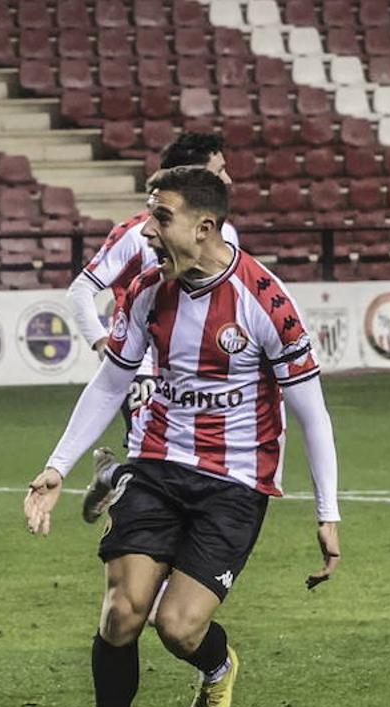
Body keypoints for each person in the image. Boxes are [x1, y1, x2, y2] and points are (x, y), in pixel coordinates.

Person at [24, 168, 341, 707]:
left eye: (160, 217)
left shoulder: (264, 298)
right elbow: (111, 383)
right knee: (121, 612)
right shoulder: (146, 290)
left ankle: (218, 667)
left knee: (179, 628)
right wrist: (56, 466)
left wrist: (327, 513)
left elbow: (311, 410)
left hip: (235, 484)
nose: (147, 230)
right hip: (156, 466)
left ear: (204, 228)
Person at [70, 133, 237, 524]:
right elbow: (80, 291)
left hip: (193, 367)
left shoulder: (225, 236)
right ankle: (132, 555)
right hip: (143, 363)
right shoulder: (134, 234)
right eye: (219, 171)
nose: (228, 181)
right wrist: (103, 344)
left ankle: (112, 475)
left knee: (176, 464)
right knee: (151, 467)